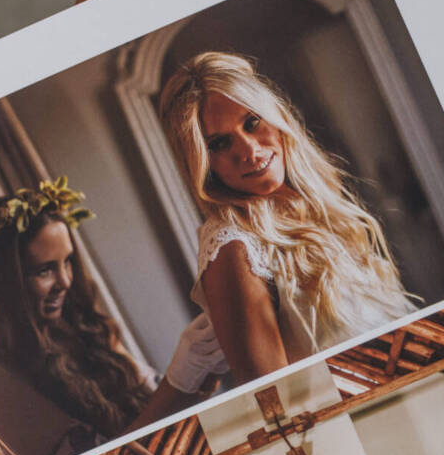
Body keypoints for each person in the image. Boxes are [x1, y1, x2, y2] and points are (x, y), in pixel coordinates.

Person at [0, 177, 227, 455]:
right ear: (3, 285)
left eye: (67, 262)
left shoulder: (80, 326)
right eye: (44, 270)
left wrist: (204, 374)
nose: (65, 281)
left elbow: (158, 407)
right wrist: (178, 380)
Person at [158, 51, 414, 383]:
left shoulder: (312, 204)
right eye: (220, 144)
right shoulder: (233, 246)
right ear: (203, 165)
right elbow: (282, 400)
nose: (249, 151)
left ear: (275, 117)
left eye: (252, 123)